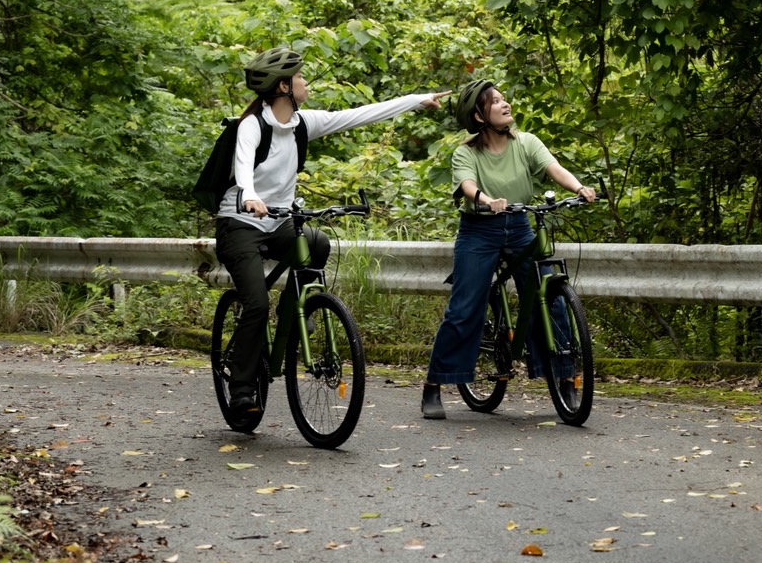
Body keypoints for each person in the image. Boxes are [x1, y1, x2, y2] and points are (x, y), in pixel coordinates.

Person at [216, 47, 448, 414]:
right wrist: (249, 196)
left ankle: (295, 320)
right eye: (299, 77)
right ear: (282, 86)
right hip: (241, 223)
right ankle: (242, 386)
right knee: (257, 304)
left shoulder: (303, 122)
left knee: (317, 244)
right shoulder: (252, 124)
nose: (305, 82)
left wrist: (417, 100)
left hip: (278, 221)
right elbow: (243, 165)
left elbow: (358, 116)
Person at [422, 78, 597, 419]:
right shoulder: (465, 152)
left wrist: (579, 188)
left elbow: (553, 168)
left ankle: (565, 381)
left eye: (505, 99)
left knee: (550, 300)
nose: (506, 105)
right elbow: (468, 185)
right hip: (478, 230)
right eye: (496, 101)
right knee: (464, 308)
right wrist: (487, 200)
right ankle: (434, 385)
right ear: (478, 116)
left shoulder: (526, 142)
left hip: (519, 226)